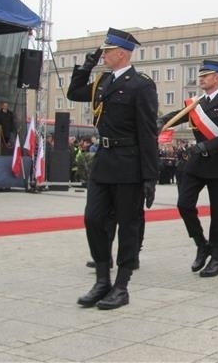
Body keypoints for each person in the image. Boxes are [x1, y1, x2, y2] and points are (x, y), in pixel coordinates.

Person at [67, 28, 158, 310]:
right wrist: (86, 65)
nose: (103, 55)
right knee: (93, 219)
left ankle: (122, 285)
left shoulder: (141, 85)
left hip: (129, 163)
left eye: (106, 51)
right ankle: (102, 280)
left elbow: (147, 132)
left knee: (128, 227)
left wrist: (149, 176)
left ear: (121, 53)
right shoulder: (103, 81)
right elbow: (73, 92)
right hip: (104, 161)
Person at [159, 60, 218, 278]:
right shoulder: (196, 104)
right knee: (184, 204)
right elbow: (179, 115)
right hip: (196, 165)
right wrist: (161, 121)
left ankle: (216, 258)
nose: (201, 78)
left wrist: (207, 145)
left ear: (217, 78)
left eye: (206, 75)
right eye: (201, 75)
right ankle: (200, 244)